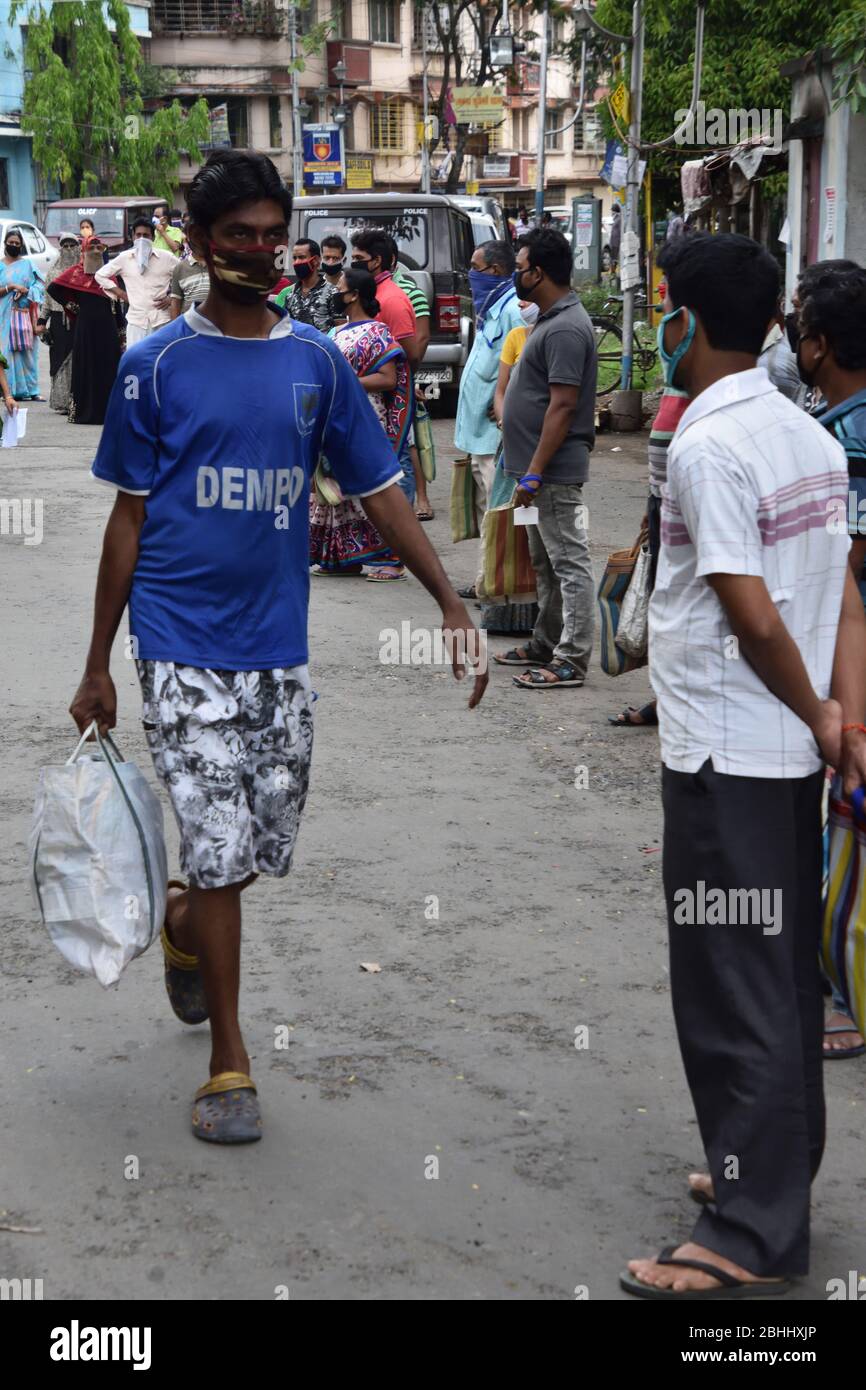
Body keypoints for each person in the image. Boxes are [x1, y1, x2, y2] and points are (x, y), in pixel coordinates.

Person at [69, 148, 486, 1147]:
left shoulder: (316, 365)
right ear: (204, 244)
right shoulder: (152, 365)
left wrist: (448, 602)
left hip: (276, 647)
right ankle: (230, 1055)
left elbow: (379, 489)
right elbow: (126, 521)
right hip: (176, 640)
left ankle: (181, 923)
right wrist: (96, 663)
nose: (261, 252)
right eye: (239, 237)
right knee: (216, 843)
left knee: (258, 841)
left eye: (272, 234)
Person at [621, 232, 866, 1301]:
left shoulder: (706, 446)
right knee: (770, 978)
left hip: (732, 746)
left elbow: (746, 604)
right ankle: (758, 1170)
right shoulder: (804, 436)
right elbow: (843, 597)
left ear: (687, 318)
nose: (653, 326)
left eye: (658, 306)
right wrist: (842, 721)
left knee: (733, 987)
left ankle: (747, 1228)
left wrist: (821, 710)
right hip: (780, 750)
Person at [794, 257, 866, 1061]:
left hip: (849, 656)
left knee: (843, 818)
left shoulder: (844, 438)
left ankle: (836, 988)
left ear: (817, 344)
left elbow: (844, 570)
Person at [496, 228, 597, 689]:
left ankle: (571, 659)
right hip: (530, 471)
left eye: (519, 269)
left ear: (538, 273)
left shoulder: (567, 328)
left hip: (550, 473)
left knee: (568, 563)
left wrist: (535, 473)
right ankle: (545, 639)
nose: (515, 277)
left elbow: (563, 405)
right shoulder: (551, 319)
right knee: (543, 560)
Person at [310, 267, 408, 575]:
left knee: (368, 487)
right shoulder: (335, 332)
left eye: (339, 288)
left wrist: (349, 382)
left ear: (354, 295)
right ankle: (341, 558)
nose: (335, 293)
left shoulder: (379, 333)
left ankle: (391, 559)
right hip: (337, 417)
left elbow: (388, 378)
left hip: (366, 418)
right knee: (337, 488)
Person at [607, 383, 689, 728]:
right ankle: (665, 696)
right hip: (662, 496)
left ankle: (679, 699)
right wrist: (650, 498)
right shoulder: (681, 368)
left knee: (684, 603)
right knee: (662, 599)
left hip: (686, 499)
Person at [350, 228, 421, 578]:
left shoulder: (391, 300)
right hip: (373, 402)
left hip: (390, 401)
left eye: (358, 259)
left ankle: (394, 555)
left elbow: (407, 354)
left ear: (376, 261)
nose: (352, 265)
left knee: (394, 474)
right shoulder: (375, 294)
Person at [454, 239, 523, 599]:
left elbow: (519, 368)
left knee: (499, 510)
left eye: (474, 268)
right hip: (478, 431)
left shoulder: (511, 309)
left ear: (495, 271)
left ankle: (496, 585)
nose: (470, 275)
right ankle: (486, 580)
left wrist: (503, 405)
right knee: (487, 508)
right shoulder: (491, 307)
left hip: (494, 430)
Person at [481, 297, 541, 636]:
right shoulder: (516, 336)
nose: (523, 304)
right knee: (504, 520)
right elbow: (501, 391)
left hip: (538, 452)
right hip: (511, 448)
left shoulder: (556, 337)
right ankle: (502, 611)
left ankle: (535, 614)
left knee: (530, 528)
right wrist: (506, 423)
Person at [47, 236, 122, 425]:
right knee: (86, 368)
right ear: (84, 250)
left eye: (99, 247)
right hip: (85, 329)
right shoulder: (76, 273)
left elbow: (117, 305)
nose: (96, 250)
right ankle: (83, 413)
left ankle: (107, 413)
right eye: (92, 247)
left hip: (108, 329)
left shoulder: (110, 274)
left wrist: (122, 332)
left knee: (107, 368)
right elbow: (53, 288)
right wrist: (73, 307)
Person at [388, 238, 435, 522]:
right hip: (385, 376)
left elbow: (421, 336)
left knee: (412, 441)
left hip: (401, 375)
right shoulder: (368, 289)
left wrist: (408, 375)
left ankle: (422, 498)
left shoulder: (408, 291)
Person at [95, 218, 176, 346]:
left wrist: (172, 297)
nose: (142, 239)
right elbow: (100, 275)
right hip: (136, 322)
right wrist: (121, 294)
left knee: (161, 361)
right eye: (138, 235)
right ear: (133, 237)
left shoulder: (167, 258)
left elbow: (184, 277)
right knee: (135, 362)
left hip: (161, 321)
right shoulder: (124, 258)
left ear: (153, 237)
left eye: (146, 235)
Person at [0, 226, 45, 401]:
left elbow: (41, 285)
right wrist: (11, 287)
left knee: (27, 352)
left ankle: (32, 390)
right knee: (6, 352)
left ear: (21, 245)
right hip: (4, 317)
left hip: (24, 315)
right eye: (10, 242)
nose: (13, 245)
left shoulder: (28, 265)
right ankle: (8, 391)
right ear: (5, 244)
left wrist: (27, 292)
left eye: (17, 243)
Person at [37, 232, 80, 413]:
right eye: (65, 246)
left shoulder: (83, 271)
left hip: (78, 320)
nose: (69, 249)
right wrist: (41, 321)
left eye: (72, 245)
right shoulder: (53, 271)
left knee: (77, 358)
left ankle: (76, 399)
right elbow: (47, 300)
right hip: (57, 321)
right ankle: (62, 401)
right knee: (59, 360)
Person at [273, 237, 339, 333]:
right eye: (295, 258)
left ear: (315, 260)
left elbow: (342, 330)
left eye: (301, 257)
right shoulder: (290, 295)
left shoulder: (333, 292)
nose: (296, 262)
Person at [169, 239, 210, 318]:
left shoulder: (219, 264)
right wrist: (177, 328)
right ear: (188, 241)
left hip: (217, 324)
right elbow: (176, 301)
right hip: (190, 324)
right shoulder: (180, 268)